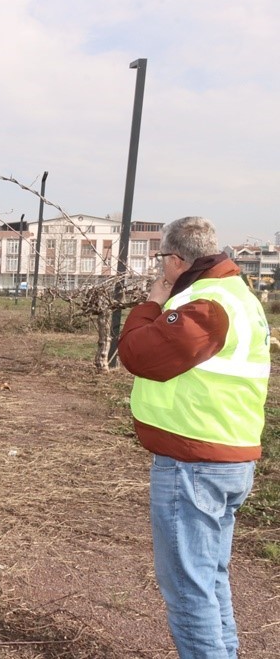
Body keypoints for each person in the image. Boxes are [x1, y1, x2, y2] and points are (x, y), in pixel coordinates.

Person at [118, 216, 270, 659]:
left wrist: (151, 304)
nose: (159, 268)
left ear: (177, 258)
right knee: (210, 578)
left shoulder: (206, 304)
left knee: (188, 590)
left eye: (161, 259)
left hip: (194, 462)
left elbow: (137, 353)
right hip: (228, 456)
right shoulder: (240, 297)